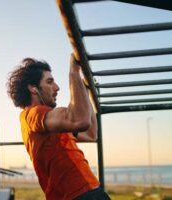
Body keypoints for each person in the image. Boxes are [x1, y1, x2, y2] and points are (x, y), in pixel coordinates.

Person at [7, 54, 110, 200]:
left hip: (88, 191)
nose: (57, 87)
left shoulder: (51, 124)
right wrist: (74, 72)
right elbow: (80, 120)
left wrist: (84, 91)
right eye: (49, 82)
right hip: (78, 195)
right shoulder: (33, 114)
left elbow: (91, 134)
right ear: (33, 88)